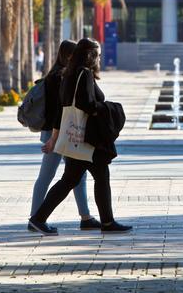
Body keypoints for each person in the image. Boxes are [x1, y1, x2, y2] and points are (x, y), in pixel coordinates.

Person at [29, 38, 132, 235]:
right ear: (91, 56)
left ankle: (106, 222)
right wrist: (109, 108)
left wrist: (55, 138)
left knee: (88, 177)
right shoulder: (83, 74)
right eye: (98, 55)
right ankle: (39, 218)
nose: (100, 59)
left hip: (78, 137)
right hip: (86, 137)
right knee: (80, 179)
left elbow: (62, 110)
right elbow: (86, 104)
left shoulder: (68, 74)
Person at [28, 40, 100, 232]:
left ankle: (85, 216)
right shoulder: (61, 77)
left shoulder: (60, 75)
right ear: (68, 56)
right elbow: (59, 110)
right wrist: (54, 137)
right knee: (50, 176)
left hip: (59, 131)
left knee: (75, 175)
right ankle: (35, 218)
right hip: (58, 132)